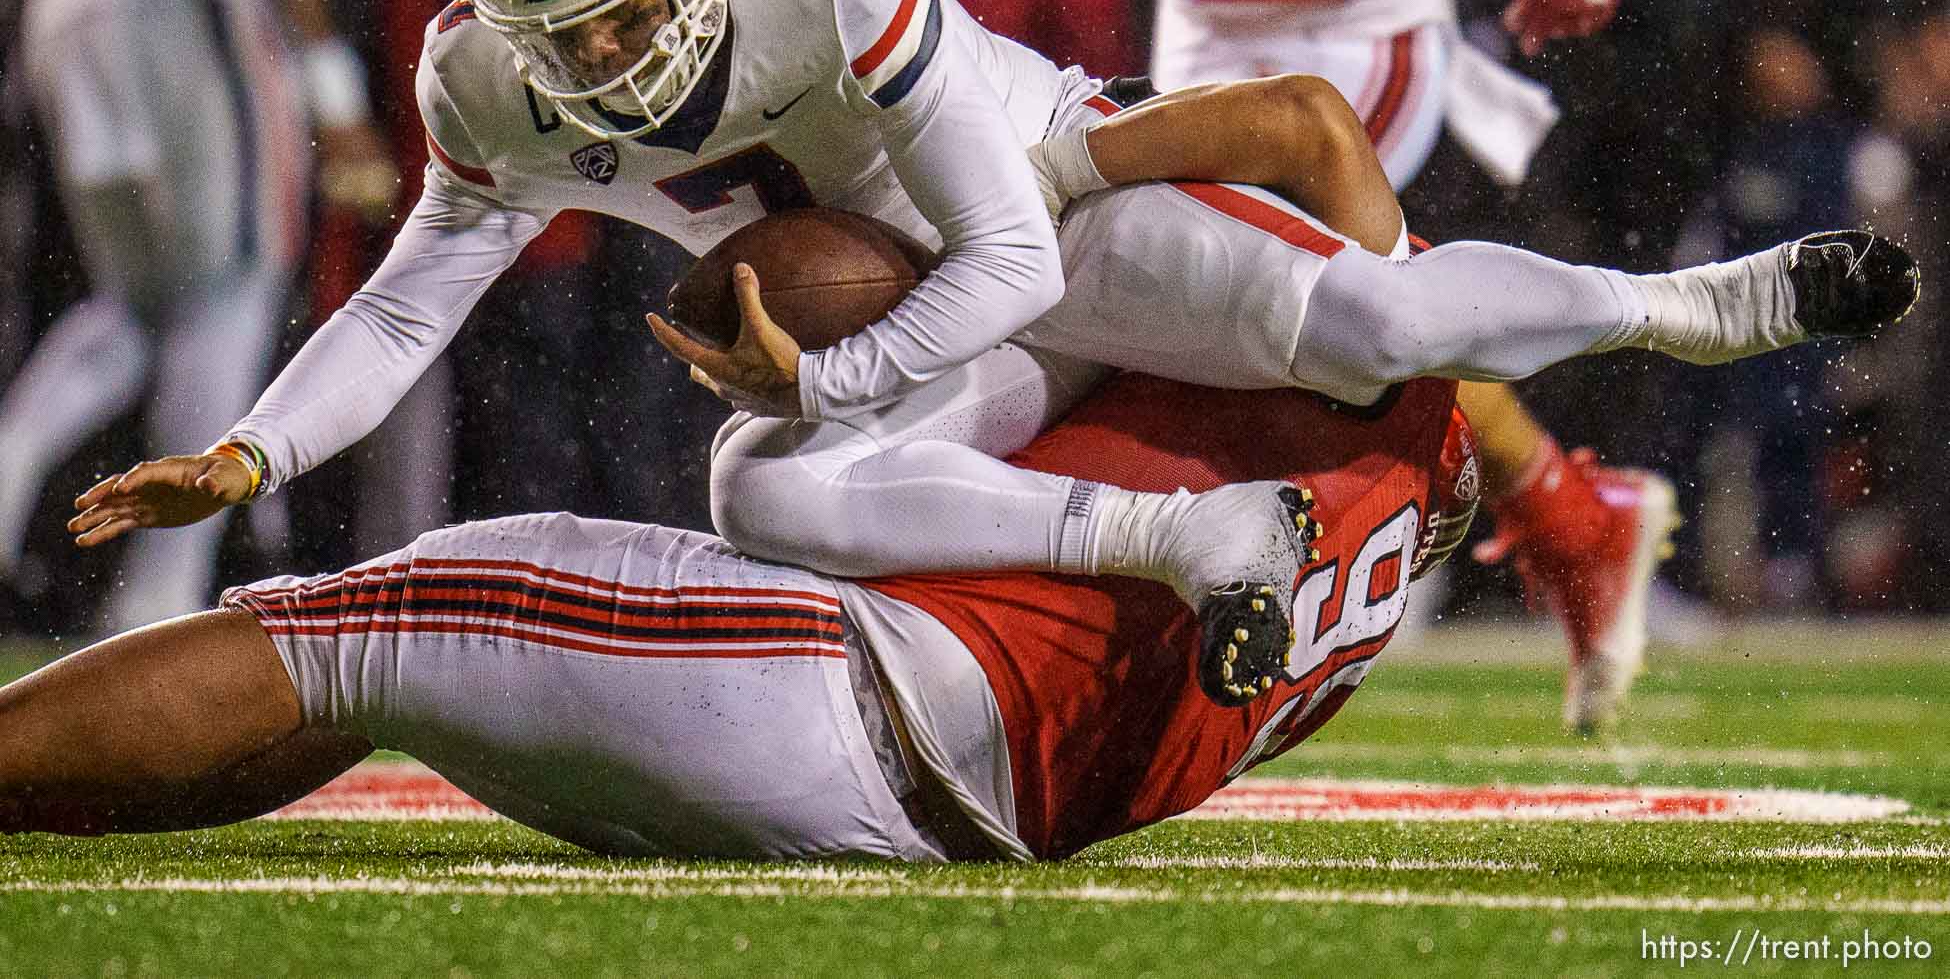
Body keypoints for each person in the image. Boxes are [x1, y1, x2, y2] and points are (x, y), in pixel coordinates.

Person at [65, 0, 1917, 707]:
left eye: (625, 16)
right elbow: (413, 304)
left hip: (1048, 211)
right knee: (759, 498)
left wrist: (832, 365)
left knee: (1369, 322)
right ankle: (1191, 540)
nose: (604, 69)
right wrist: (251, 448)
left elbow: (1015, 264)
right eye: (566, 38)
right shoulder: (490, 79)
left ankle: (1688, 306)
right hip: (928, 328)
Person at [904, 0, 1691, 730]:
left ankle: (1489, 516)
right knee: (1172, 309)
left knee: (1286, 301)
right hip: (1195, 51)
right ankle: (1558, 509)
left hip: (1361, 39)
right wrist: (906, 4)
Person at [3, 369, 1478, 856]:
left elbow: (1287, 144)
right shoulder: (1387, 533)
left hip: (843, 692)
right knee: (383, 664)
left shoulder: (1284, 322)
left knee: (375, 621)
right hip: (923, 814)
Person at [0, 0, 395, 630]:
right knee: (235, 289)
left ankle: (9, 476)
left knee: (138, 304)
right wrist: (332, 89)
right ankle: (164, 596)